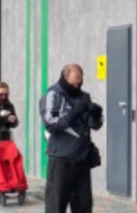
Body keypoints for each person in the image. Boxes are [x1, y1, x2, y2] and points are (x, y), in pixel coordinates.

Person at [40, 63, 103, 213]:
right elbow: (51, 124)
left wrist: (96, 115)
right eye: (74, 82)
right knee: (56, 206)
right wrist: (73, 113)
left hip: (82, 160)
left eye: (80, 81)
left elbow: (95, 125)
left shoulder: (84, 97)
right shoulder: (53, 95)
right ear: (65, 77)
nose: (77, 85)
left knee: (84, 206)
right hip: (61, 160)